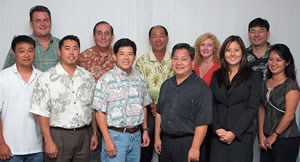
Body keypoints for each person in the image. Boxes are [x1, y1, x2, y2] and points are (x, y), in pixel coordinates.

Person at [29, 35, 98, 162]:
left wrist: (94, 133)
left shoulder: (87, 77)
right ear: (59, 52)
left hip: (84, 134)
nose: (71, 52)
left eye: (75, 48)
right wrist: (48, 141)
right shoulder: (47, 77)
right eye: (67, 48)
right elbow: (41, 112)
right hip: (59, 135)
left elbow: (92, 108)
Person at [93, 38, 152, 162]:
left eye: (130, 54)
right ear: (114, 56)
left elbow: (144, 106)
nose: (126, 58)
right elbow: (99, 112)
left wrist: (145, 130)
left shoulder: (139, 79)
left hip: (136, 136)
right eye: (122, 54)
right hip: (115, 136)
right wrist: (107, 139)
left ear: (134, 56)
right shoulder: (106, 80)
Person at [154, 43, 212, 162]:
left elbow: (203, 121)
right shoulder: (166, 84)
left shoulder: (201, 88)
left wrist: (195, 148)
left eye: (184, 59)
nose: (179, 63)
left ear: (192, 62)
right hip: (166, 142)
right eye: (175, 58)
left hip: (188, 143)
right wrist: (157, 138)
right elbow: (159, 113)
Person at [210, 35, 261, 162]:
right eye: (228, 50)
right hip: (218, 136)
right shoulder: (216, 75)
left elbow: (252, 107)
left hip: (241, 136)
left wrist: (234, 132)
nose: (232, 54)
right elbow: (212, 103)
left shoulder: (253, 76)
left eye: (236, 50)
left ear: (243, 53)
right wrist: (216, 128)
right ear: (223, 53)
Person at [0, 35, 43, 162]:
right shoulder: (3, 77)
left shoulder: (42, 77)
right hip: (9, 149)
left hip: (37, 148)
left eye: (30, 50)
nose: (27, 55)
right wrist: (1, 144)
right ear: (14, 53)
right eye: (21, 51)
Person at [78, 21, 116, 162]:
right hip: (88, 118)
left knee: (113, 155)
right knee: (91, 157)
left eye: (107, 33)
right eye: (99, 33)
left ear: (112, 36)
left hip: (113, 120)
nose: (103, 37)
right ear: (94, 36)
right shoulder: (83, 57)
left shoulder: (119, 56)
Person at [135, 25, 173, 162]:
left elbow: (179, 86)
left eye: (161, 35)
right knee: (146, 148)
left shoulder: (175, 60)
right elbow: (139, 86)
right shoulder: (142, 61)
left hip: (170, 111)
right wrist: (152, 105)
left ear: (167, 38)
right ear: (150, 39)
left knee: (167, 149)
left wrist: (162, 107)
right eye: (154, 36)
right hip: (148, 111)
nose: (158, 39)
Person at [258, 44, 300, 162]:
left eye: (279, 60)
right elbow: (262, 108)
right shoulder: (264, 83)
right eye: (271, 59)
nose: (273, 63)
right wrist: (261, 134)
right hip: (266, 137)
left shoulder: (291, 86)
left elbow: (289, 115)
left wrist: (274, 135)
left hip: (286, 139)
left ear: (287, 63)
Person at [3, 5, 60, 72]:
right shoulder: (20, 44)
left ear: (50, 22)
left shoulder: (62, 45)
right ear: (31, 24)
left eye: (46, 20)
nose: (43, 24)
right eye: (38, 21)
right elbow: (6, 72)